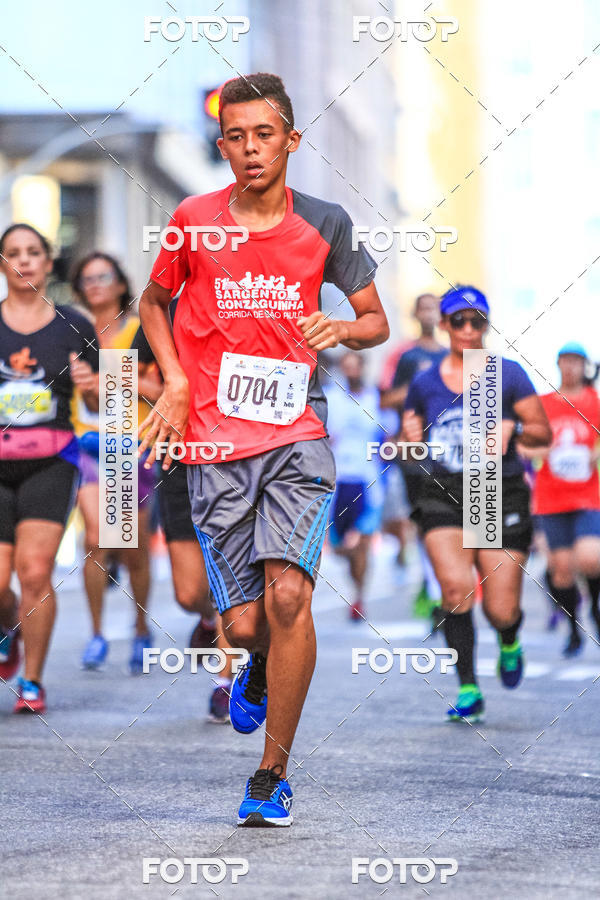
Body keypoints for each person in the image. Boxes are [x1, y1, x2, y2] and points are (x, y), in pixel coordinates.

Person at [138, 72, 389, 826]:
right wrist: (176, 382)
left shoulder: (326, 224)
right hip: (214, 444)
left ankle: (271, 772)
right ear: (223, 146)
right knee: (244, 625)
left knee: (290, 596)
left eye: (264, 135)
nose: (250, 150)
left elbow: (372, 318)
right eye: (237, 137)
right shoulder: (193, 219)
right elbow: (153, 303)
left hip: (297, 438)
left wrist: (341, 329)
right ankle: (251, 668)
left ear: (291, 140)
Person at [402, 285, 551, 722]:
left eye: (477, 321)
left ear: (486, 325)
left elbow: (543, 433)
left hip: (496, 490)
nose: (468, 329)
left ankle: (509, 637)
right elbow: (409, 442)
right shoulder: (425, 382)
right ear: (444, 324)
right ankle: (468, 687)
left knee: (500, 607)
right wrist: (408, 442)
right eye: (459, 320)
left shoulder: (505, 375)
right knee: (454, 590)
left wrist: (516, 433)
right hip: (444, 492)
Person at [0, 223, 99, 712]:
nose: (24, 261)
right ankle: (7, 632)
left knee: (34, 571)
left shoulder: (75, 323)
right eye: (13, 253)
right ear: (2, 263)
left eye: (33, 252)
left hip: (51, 462)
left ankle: (33, 681)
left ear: (47, 260)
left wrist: (91, 385)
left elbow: (112, 397)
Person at [131, 302, 233, 722]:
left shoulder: (241, 300)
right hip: (177, 459)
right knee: (189, 593)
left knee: (230, 578)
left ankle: (225, 683)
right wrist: (171, 393)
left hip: (234, 458)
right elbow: (128, 373)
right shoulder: (163, 309)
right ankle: (206, 619)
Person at [70, 252, 158, 673]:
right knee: (95, 539)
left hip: (131, 446)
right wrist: (88, 389)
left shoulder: (142, 330)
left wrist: (112, 376)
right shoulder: (73, 331)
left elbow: (161, 390)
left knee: (133, 549)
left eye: (103, 276)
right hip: (86, 445)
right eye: (87, 278)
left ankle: (141, 627)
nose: (95, 284)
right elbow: (87, 397)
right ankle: (97, 633)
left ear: (121, 284)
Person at [528, 343, 600, 657]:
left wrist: (593, 454)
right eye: (565, 362)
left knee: (589, 558)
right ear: (558, 365)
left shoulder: (595, 403)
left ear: (584, 366)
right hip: (551, 497)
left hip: (588, 495)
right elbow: (523, 445)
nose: (570, 368)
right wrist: (539, 452)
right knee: (561, 570)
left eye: (576, 362)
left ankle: (596, 609)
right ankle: (573, 629)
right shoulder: (543, 405)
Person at [381, 293, 447, 620]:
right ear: (416, 314)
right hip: (415, 453)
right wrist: (424, 388)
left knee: (448, 522)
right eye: (424, 308)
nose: (430, 314)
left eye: (435, 308)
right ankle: (433, 586)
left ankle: (442, 584)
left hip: (450, 452)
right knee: (424, 522)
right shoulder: (408, 357)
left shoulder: (455, 356)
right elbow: (388, 398)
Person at [325, 351, 385, 621]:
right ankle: (357, 584)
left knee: (359, 543)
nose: (350, 372)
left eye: (354, 366)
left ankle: (359, 598)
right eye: (345, 367)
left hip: (367, 482)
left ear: (363, 367)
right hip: (338, 482)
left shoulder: (377, 399)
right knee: (341, 548)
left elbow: (390, 434)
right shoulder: (331, 398)